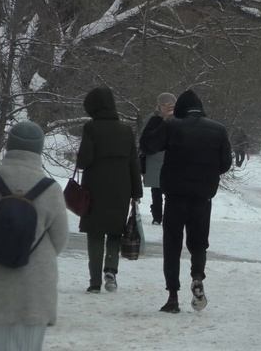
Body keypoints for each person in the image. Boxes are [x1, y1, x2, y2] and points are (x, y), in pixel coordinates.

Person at [0, 121, 69, 351]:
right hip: (32, 295)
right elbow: (60, 239)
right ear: (38, 149)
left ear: (10, 145)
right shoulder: (50, 188)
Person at [141, 89, 231, 313]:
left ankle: (172, 297)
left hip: (175, 196)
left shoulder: (172, 127)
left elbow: (147, 146)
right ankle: (198, 277)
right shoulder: (218, 130)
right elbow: (225, 164)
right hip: (202, 197)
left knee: (172, 244)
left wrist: (158, 120)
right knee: (199, 242)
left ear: (180, 109)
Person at [77, 86, 143, 294]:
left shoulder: (91, 128)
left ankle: (94, 281)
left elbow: (83, 160)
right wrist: (136, 192)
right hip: (120, 188)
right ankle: (111, 272)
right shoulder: (126, 130)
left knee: (95, 233)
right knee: (115, 231)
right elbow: (133, 163)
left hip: (95, 187)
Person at [140, 93, 176, 225]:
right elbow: (145, 140)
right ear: (159, 106)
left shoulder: (179, 119)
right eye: (165, 105)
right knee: (157, 190)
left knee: (170, 192)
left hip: (171, 161)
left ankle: (168, 217)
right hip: (155, 160)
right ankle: (157, 216)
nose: (167, 108)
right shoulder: (154, 119)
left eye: (170, 105)